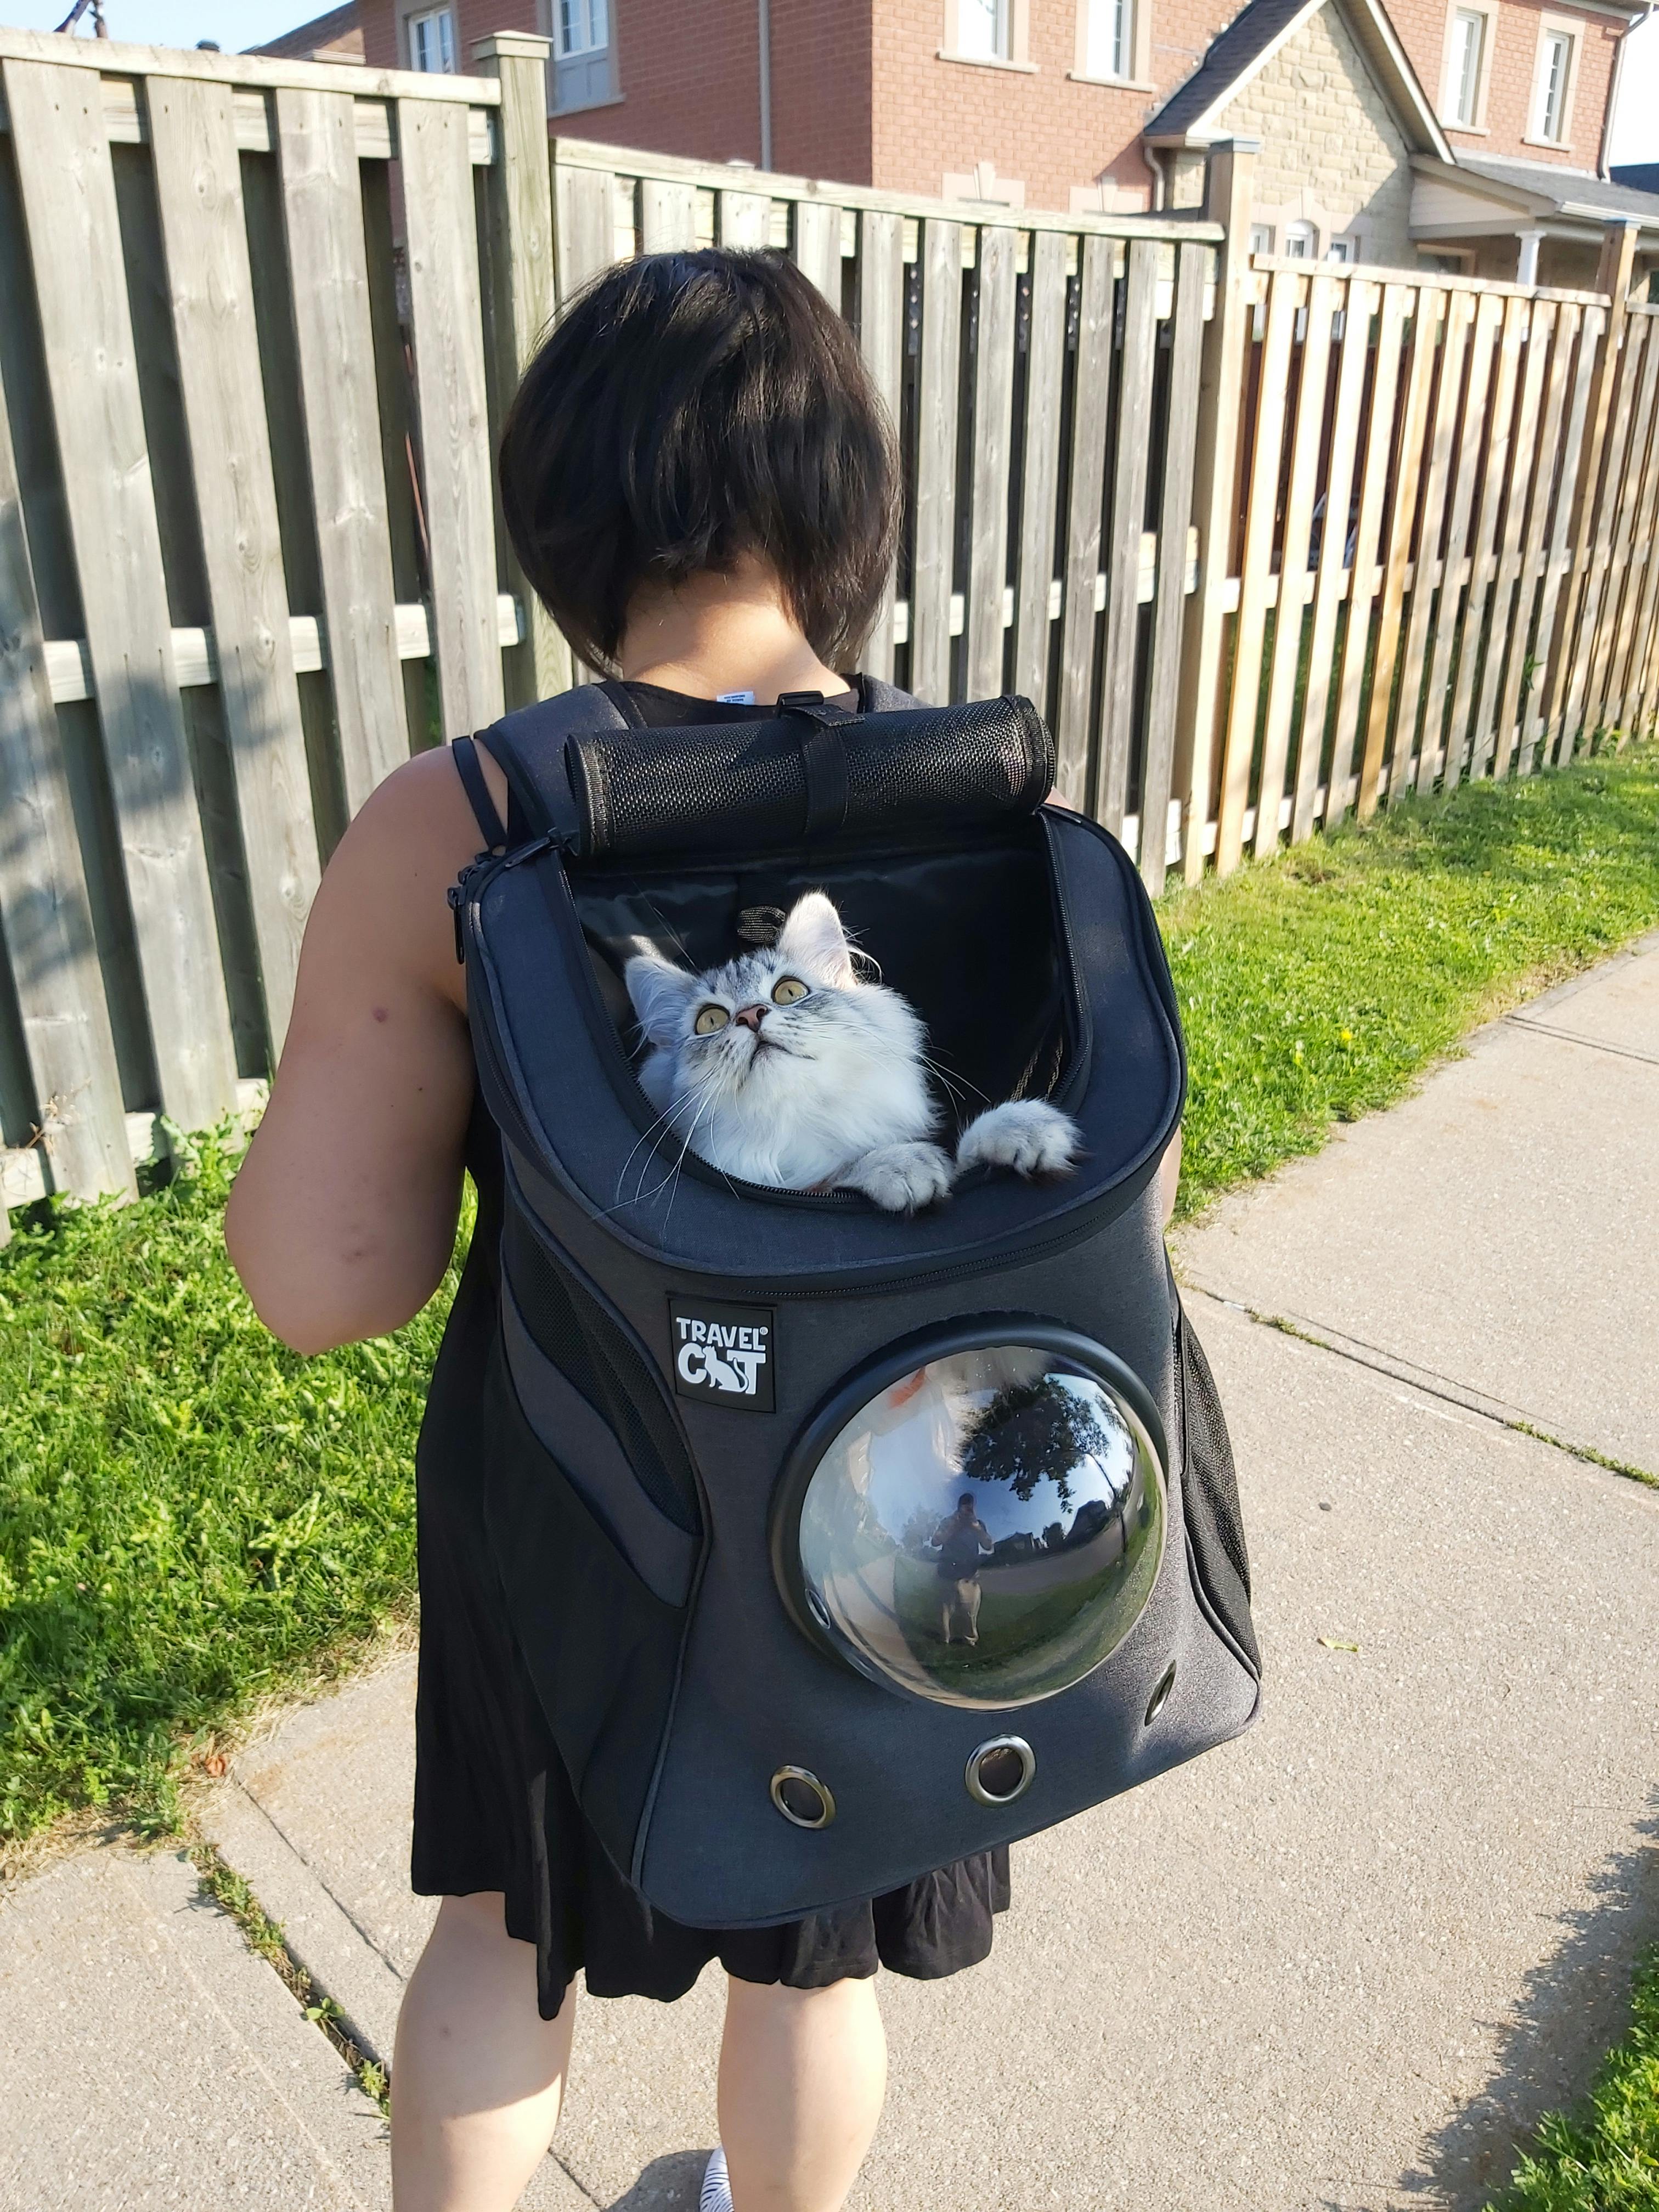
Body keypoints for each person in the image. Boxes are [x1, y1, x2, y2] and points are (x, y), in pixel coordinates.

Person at [227, 250, 1075, 2212]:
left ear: (566, 503)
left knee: (499, 1930)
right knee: (812, 1955)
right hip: (870, 1490)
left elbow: (322, 1283)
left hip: (573, 1488)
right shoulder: (983, 801)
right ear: (840, 503)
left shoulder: (460, 816)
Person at [932, 1494, 994, 1644]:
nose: (967, 1507)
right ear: (959, 1506)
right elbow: (935, 1541)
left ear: (974, 1507)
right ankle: (944, 1639)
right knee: (944, 1612)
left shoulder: (979, 1524)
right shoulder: (948, 1522)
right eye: (964, 1504)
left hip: (969, 1576)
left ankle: (969, 1641)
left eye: (970, 1505)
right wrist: (954, 1527)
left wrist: (977, 1528)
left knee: (969, 1612)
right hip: (946, 1573)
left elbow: (988, 1546)